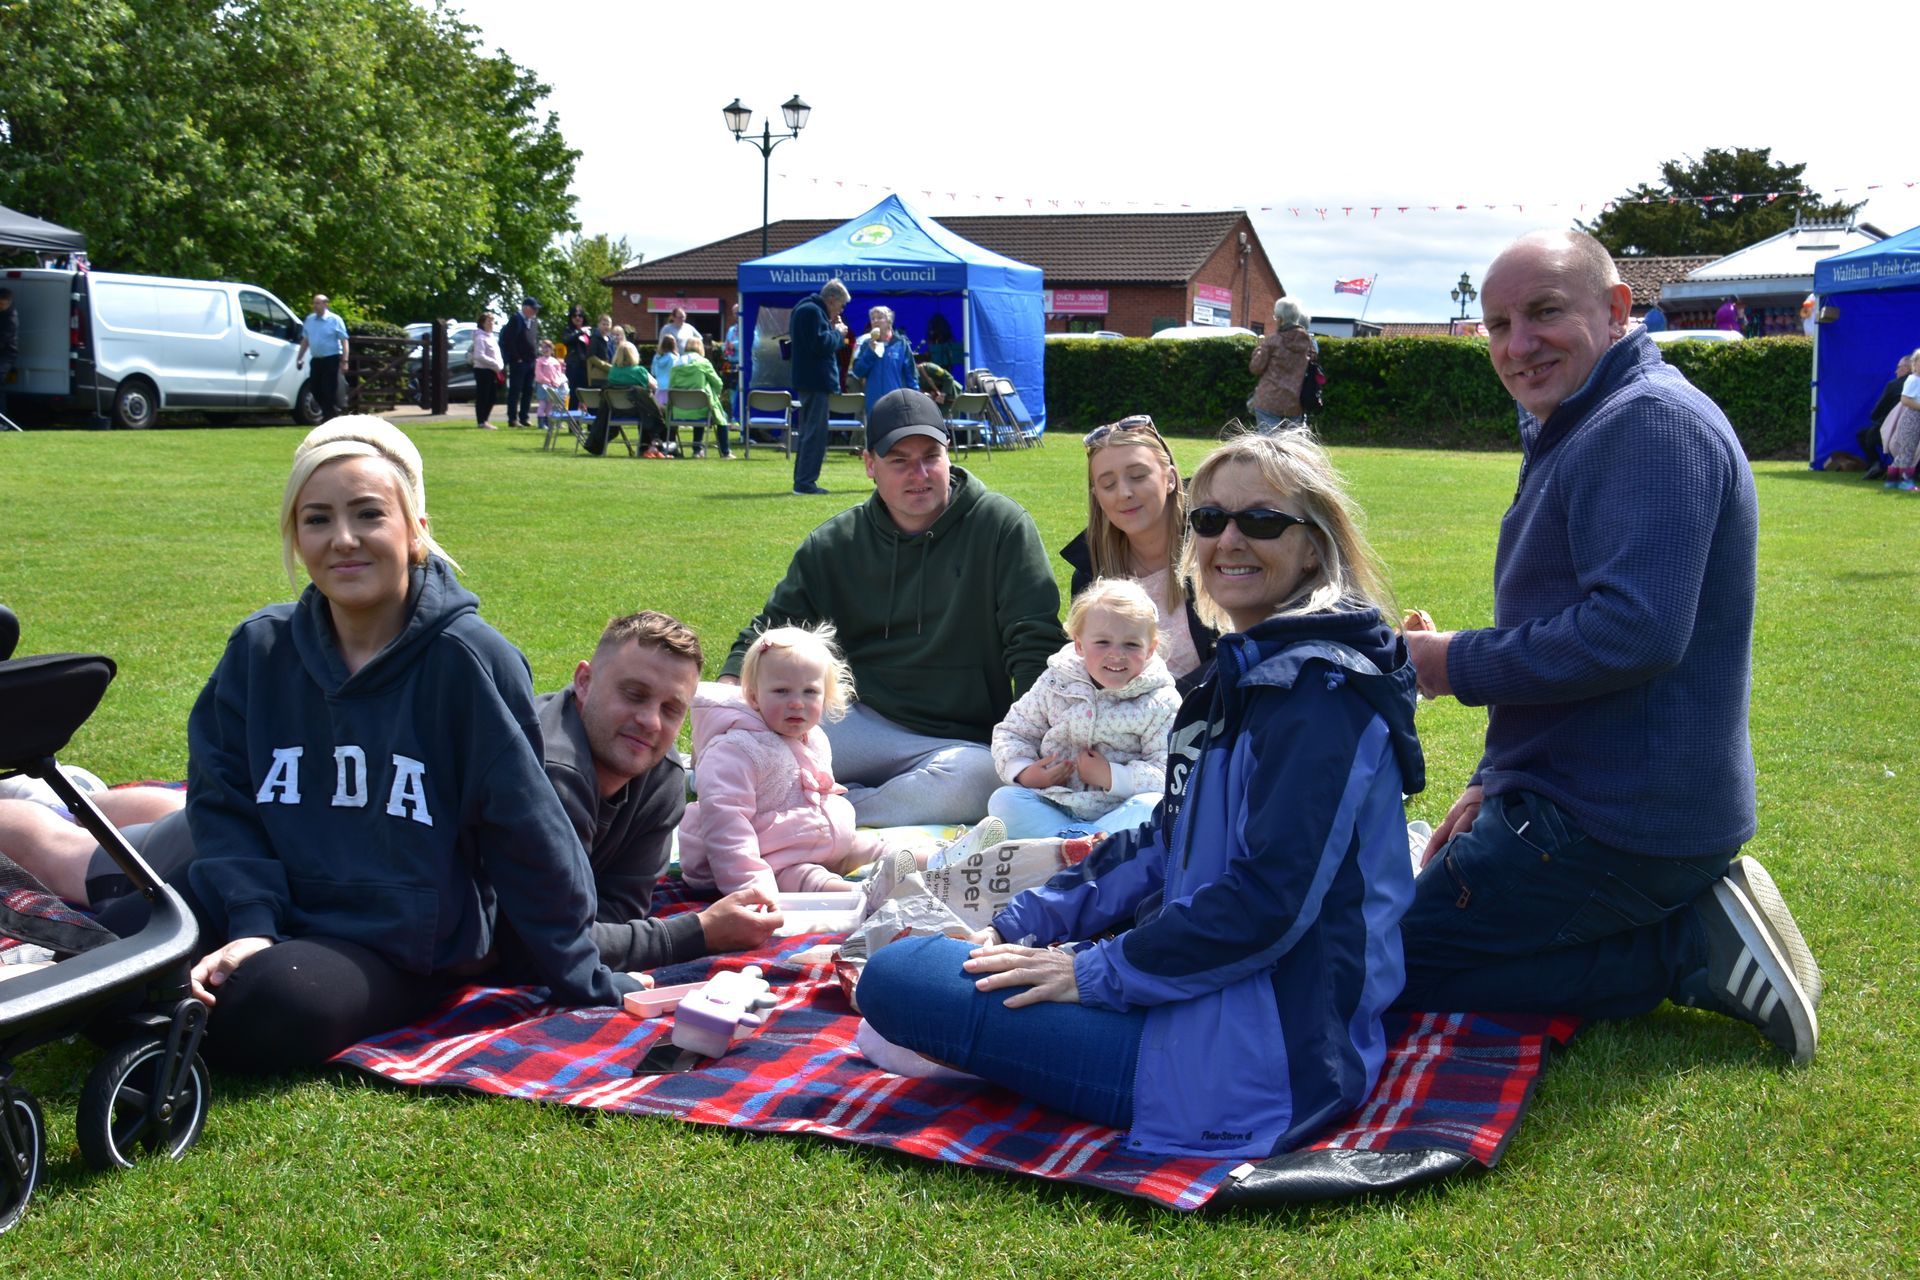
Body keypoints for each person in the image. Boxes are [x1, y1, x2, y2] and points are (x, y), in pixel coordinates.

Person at [857, 429, 1424, 1159]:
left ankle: (970, 1041)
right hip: (1202, 1001)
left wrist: (1090, 972)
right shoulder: (1249, 670)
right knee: (943, 958)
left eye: (1261, 520)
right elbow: (1166, 840)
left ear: (1314, 546)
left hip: (1254, 1066)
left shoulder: (1320, 692)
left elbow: (1269, 903)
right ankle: (979, 1030)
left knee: (898, 978)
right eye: (1211, 519)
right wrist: (1019, 924)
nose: (1228, 540)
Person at [1397, 229, 1820, 1065]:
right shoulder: (1586, 417)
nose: (1518, 344)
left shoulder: (1647, 425)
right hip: (1590, 804)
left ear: (1618, 307)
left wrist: (1448, 665)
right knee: (1397, 932)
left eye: (1546, 312)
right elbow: (1565, 619)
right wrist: (1494, 779)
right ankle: (1670, 919)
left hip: (1613, 825)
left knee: (1382, 965)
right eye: (1497, 324)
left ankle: (1686, 946)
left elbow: (1633, 633)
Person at [156, 415, 640, 1073]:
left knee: (274, 1002)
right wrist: (250, 926)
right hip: (271, 906)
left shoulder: (469, 661)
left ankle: (170, 1018)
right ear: (295, 537)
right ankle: (156, 1003)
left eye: (368, 514)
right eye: (317, 519)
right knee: (131, 955)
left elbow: (527, 833)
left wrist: (585, 978)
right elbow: (223, 804)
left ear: (416, 528)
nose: (343, 540)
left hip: (397, 944)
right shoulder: (257, 651)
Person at [722, 389, 1065, 826]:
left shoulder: (1000, 526)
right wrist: (729, 698)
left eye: (930, 456)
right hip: (852, 724)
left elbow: (1034, 640)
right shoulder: (835, 543)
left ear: (949, 454)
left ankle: (827, 813)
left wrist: (1035, 741)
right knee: (752, 743)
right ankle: (827, 798)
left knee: (984, 783)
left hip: (958, 743)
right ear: (869, 465)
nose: (918, 474)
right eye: (899, 460)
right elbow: (769, 632)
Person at [537, 610, 782, 969]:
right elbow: (546, 944)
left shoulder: (660, 774)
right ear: (584, 682)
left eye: (671, 709)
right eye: (635, 695)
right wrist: (699, 933)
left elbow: (617, 912)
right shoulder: (549, 771)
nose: (650, 722)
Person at [680, 625, 904, 898]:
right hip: (751, 862)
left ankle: (943, 862)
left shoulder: (813, 737)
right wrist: (753, 892)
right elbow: (727, 826)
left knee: (871, 847)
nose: (797, 703)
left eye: (809, 692)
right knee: (805, 877)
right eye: (782, 691)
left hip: (798, 840)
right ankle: (864, 897)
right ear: (754, 696)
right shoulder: (735, 750)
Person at [987, 579, 1181, 840]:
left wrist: (1112, 776)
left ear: (1150, 649)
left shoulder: (1160, 701)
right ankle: (1089, 849)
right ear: (1079, 645)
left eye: (1131, 645)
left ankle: (1064, 849)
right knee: (1003, 801)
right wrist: (1025, 772)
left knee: (1153, 808)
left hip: (1118, 813)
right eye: (1102, 642)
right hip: (1055, 804)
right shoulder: (1056, 682)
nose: (1116, 654)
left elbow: (1169, 771)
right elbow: (1012, 732)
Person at [1059, 415, 1217, 690]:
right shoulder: (1090, 577)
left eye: (1138, 476)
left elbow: (1241, 650)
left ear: (1169, 479)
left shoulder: (1217, 546)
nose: (1124, 493)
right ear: (1097, 496)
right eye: (1108, 485)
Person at [789, 279, 851, 496]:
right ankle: (805, 483)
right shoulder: (812, 312)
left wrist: (831, 329)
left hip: (809, 380)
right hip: (814, 380)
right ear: (831, 299)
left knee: (809, 432)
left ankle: (803, 481)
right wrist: (838, 333)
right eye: (841, 305)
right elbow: (820, 345)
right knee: (814, 433)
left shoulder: (807, 309)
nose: (841, 310)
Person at [1248, 297, 1316, 431]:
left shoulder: (1273, 341)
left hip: (1269, 401)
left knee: (1269, 444)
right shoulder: (1308, 344)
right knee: (1290, 446)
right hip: (1294, 403)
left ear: (1281, 319)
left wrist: (1259, 348)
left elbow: (1256, 367)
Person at [667, 333, 732, 459]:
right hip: (701, 408)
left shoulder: (676, 364)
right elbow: (718, 383)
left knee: (700, 406)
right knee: (720, 416)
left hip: (679, 411)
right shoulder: (703, 363)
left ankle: (697, 450)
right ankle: (725, 452)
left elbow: (671, 386)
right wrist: (716, 393)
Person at [295, 293, 350, 423]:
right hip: (316, 359)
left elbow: (344, 341)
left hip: (331, 359)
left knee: (328, 388)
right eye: (314, 303)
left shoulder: (335, 320)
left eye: (318, 303)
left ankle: (328, 416)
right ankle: (331, 412)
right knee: (314, 388)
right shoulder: (309, 320)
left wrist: (345, 360)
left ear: (325, 304)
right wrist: (299, 357)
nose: (315, 306)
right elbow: (306, 340)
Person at [851, 305, 917, 413]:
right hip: (874, 404)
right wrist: (870, 352)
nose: (875, 321)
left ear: (889, 321)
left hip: (897, 404)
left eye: (880, 317)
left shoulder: (901, 344)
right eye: (873, 318)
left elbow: (911, 375)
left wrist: (915, 399)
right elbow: (858, 372)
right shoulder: (866, 345)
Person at [1856, 355, 1911, 481]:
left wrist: (1875, 418)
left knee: (1866, 435)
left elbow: (1878, 409)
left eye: (1898, 367)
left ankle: (1876, 465)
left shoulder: (1895, 385)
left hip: (1892, 429)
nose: (1896, 371)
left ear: (1907, 368)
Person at [1878, 347, 1920, 493]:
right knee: (1907, 452)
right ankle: (1905, 483)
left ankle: (1892, 481)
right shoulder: (1913, 380)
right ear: (1914, 364)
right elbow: (1905, 400)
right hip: (1912, 419)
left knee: (1906, 452)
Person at [502, 296, 542, 429]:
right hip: (519, 362)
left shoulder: (534, 322)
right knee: (515, 390)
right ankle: (512, 419)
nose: (535, 311)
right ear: (525, 308)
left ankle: (524, 417)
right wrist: (516, 357)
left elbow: (533, 341)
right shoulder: (515, 320)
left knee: (528, 390)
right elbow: (508, 341)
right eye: (533, 308)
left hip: (531, 362)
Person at [469, 310, 503, 430]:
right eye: (489, 321)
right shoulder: (480, 337)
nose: (491, 323)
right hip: (483, 370)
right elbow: (479, 356)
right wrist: (494, 364)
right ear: (482, 323)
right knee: (483, 396)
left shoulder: (491, 337)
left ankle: (485, 420)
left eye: (492, 321)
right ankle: (481, 421)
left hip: (492, 371)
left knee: (492, 397)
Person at [533, 340, 569, 431]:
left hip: (553, 386)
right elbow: (538, 374)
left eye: (548, 347)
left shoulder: (555, 361)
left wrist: (556, 382)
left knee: (550, 405)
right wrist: (546, 380)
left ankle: (548, 423)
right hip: (542, 386)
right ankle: (541, 423)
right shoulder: (539, 361)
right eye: (543, 347)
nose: (545, 349)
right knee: (542, 404)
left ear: (552, 349)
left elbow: (558, 373)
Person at [564, 306, 592, 410]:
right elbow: (566, 340)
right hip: (574, 367)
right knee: (575, 395)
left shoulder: (589, 331)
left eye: (580, 315)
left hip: (586, 367)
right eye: (574, 316)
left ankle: (590, 425)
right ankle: (573, 425)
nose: (577, 318)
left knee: (588, 395)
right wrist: (579, 332)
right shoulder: (568, 330)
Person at [650, 333, 680, 415]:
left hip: (659, 387)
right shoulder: (675, 358)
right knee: (671, 411)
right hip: (671, 387)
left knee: (660, 411)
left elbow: (653, 372)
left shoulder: (656, 357)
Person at [0, 287, 17, 425]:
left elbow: (3, 340)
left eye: (2, 305)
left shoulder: (11, 318)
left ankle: (2, 421)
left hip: (6, 354)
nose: (0, 307)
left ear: (8, 303)